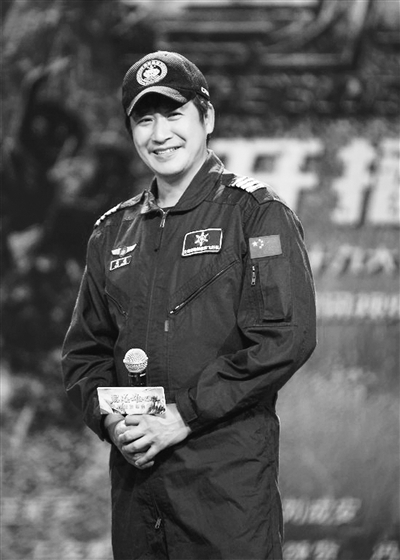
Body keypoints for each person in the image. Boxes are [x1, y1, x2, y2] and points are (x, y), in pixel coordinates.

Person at [62, 50, 317, 560]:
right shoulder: (111, 233)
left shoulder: (256, 215)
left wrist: (182, 415)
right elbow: (85, 355)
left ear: (207, 118)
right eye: (144, 120)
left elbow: (284, 338)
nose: (160, 134)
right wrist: (109, 420)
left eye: (174, 114)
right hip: (137, 497)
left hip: (225, 496)